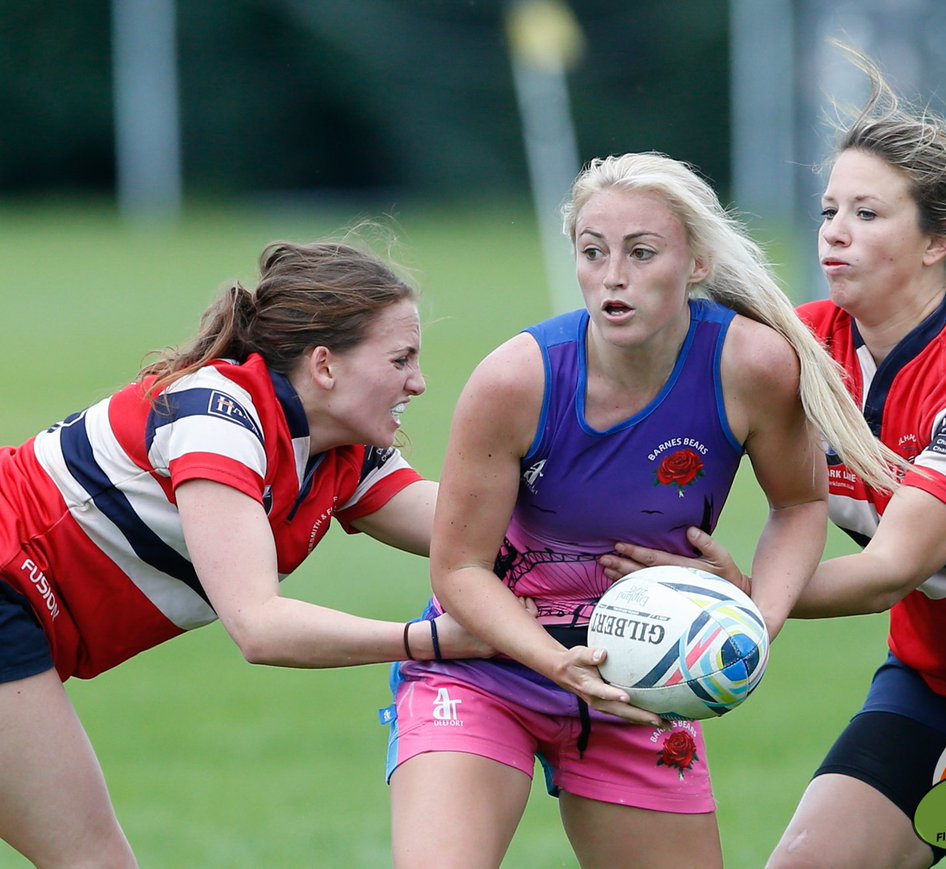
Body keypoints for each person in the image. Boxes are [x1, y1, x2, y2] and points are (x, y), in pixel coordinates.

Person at [601, 46, 946, 868]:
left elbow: (890, 570)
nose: (834, 234)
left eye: (867, 214)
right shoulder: (798, 347)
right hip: (939, 686)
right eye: (828, 211)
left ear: (936, 242)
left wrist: (744, 597)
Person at [384, 151, 905, 868]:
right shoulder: (515, 379)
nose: (613, 276)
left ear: (694, 264)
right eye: (593, 252)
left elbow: (800, 501)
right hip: (485, 668)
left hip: (644, 683)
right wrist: (557, 663)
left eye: (641, 252)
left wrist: (753, 622)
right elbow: (460, 569)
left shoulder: (752, 366)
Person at [0, 238, 494, 867]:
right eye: (401, 359)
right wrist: (436, 640)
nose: (418, 383)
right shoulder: (217, 418)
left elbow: (471, 528)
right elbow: (259, 627)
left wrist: (616, 531)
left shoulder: (336, 449)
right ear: (325, 366)